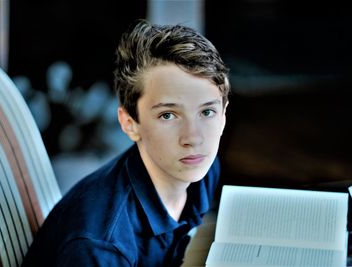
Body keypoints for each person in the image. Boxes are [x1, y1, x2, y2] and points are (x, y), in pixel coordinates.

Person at [22, 19, 230, 267]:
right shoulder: (101, 246)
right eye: (168, 115)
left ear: (224, 114)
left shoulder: (200, 169)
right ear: (130, 123)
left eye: (207, 112)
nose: (194, 138)